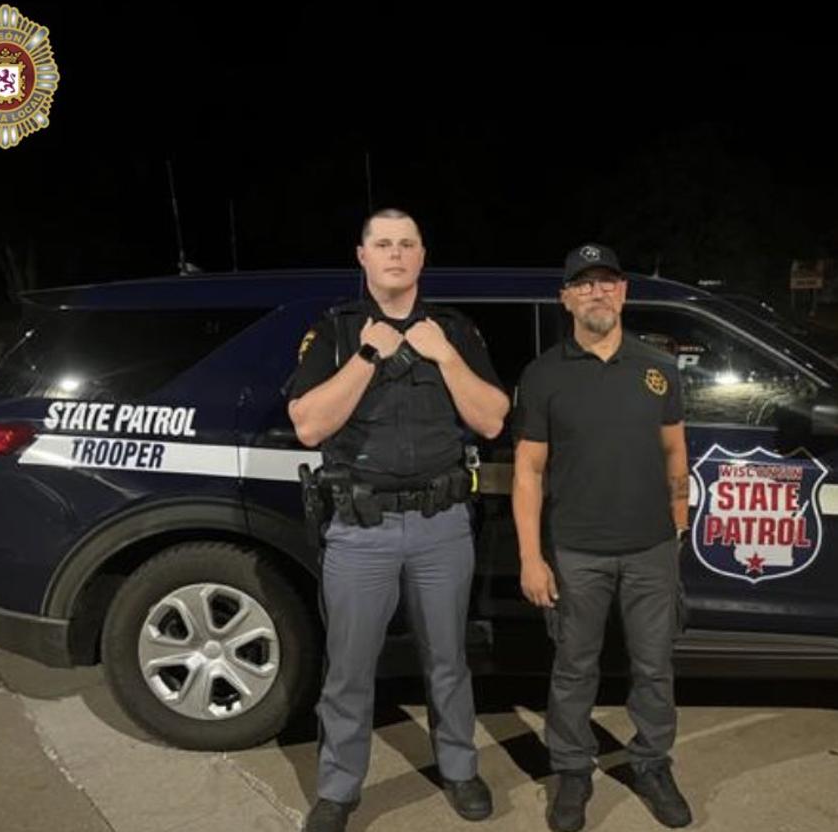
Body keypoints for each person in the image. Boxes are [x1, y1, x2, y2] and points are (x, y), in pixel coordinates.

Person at [288, 208, 510, 831]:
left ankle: (461, 772)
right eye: (382, 244)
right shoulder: (333, 332)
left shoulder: (456, 331)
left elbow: (492, 419)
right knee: (350, 668)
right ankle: (338, 790)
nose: (394, 253)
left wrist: (443, 357)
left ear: (421, 257)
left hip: (442, 526)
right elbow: (309, 427)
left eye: (406, 244)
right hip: (361, 530)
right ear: (362, 257)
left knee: (449, 662)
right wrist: (366, 355)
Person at [511, 243, 693, 831]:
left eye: (607, 282)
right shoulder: (543, 375)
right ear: (565, 298)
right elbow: (528, 472)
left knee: (654, 668)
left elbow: (675, 452)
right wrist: (531, 558)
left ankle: (651, 765)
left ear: (624, 293)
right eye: (583, 284)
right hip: (576, 553)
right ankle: (570, 771)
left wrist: (680, 522)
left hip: (651, 550)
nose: (597, 292)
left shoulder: (658, 369)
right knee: (573, 668)